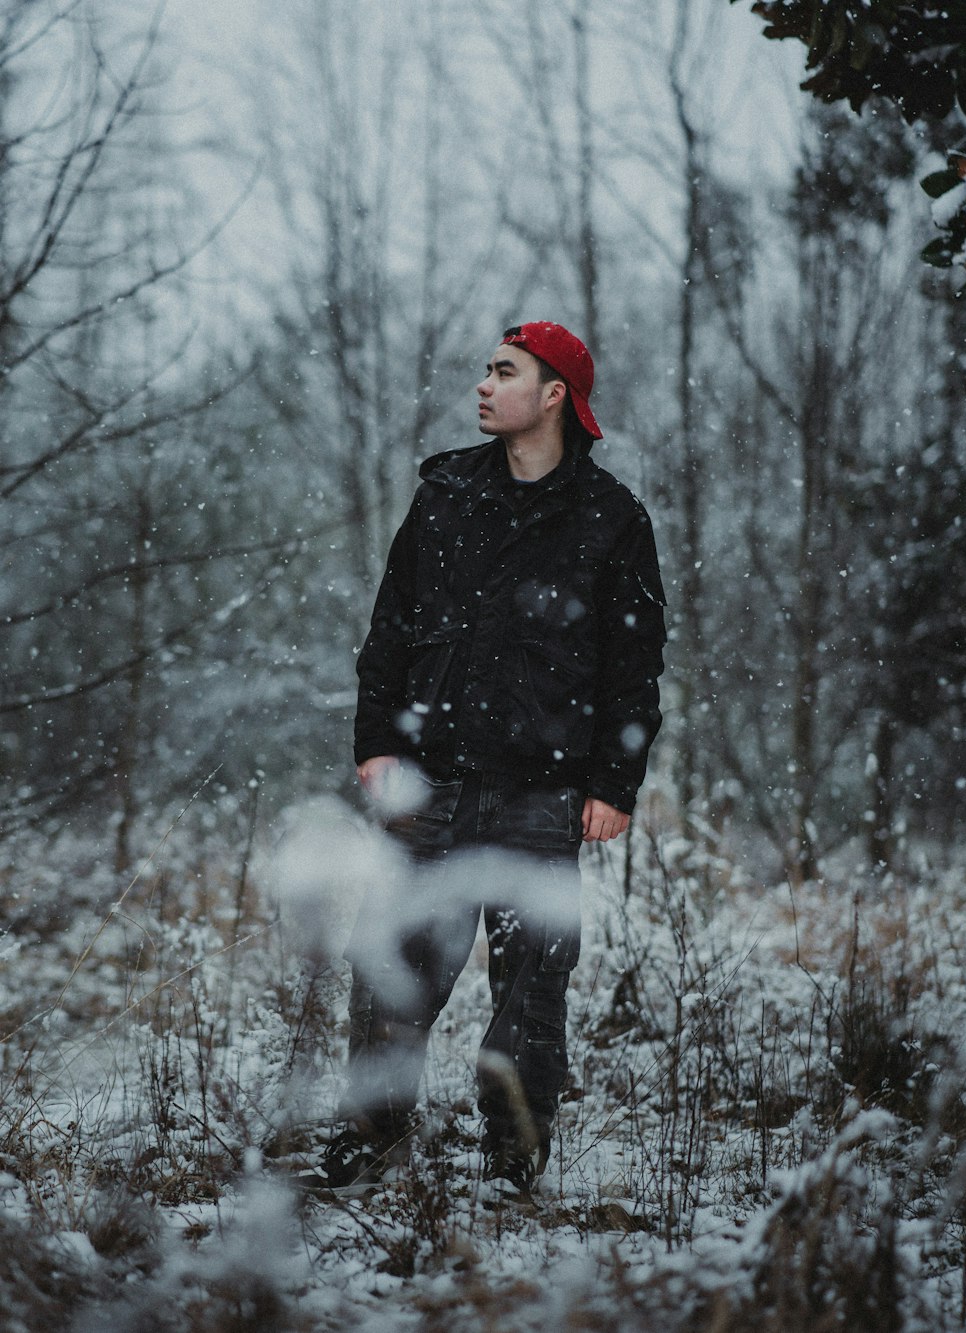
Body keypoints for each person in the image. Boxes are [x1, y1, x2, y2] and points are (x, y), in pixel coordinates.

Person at [301, 321, 665, 1199]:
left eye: (505, 372)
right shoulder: (446, 497)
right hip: (430, 782)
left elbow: (634, 664)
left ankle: (515, 1152)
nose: (482, 384)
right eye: (485, 369)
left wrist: (613, 783)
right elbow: (390, 629)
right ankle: (371, 1135)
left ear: (554, 398)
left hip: (543, 795)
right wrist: (378, 744)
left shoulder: (611, 518)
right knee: (390, 970)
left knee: (533, 992)